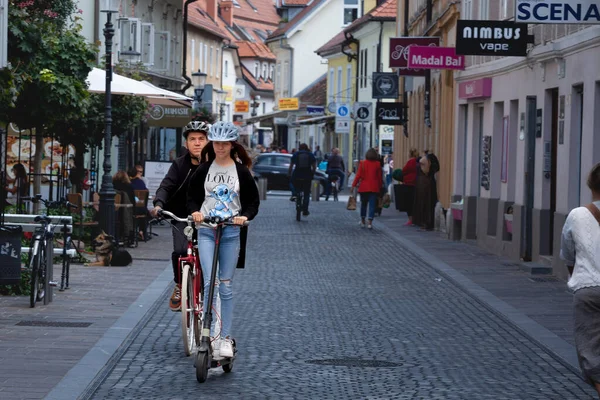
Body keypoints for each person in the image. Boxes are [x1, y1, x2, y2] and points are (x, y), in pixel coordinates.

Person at [187, 121, 260, 359]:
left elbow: (252, 202)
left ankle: (225, 337)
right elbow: (191, 197)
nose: (219, 147)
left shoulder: (241, 172)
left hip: (230, 232)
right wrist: (196, 212)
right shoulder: (204, 169)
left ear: (232, 145)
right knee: (210, 283)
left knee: (226, 286)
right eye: (216, 143)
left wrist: (244, 216)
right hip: (207, 230)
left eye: (224, 143)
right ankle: (208, 334)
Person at [150, 120, 211, 311]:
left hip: (208, 217)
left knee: (209, 256)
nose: (197, 143)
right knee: (180, 251)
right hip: (181, 216)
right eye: (192, 139)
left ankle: (208, 288)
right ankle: (179, 284)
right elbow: (166, 186)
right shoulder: (179, 164)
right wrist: (159, 204)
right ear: (186, 143)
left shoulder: (215, 165)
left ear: (208, 142)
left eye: (201, 139)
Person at [561, 163, 600, 398]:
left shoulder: (577, 215)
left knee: (591, 354)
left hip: (588, 289)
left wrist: (575, 273)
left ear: (589, 185)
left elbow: (567, 252)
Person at [352, 148, 383, 230]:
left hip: (364, 187)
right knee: (372, 205)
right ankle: (370, 222)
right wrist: (380, 187)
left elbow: (358, 175)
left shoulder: (362, 163)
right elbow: (379, 177)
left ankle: (362, 221)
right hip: (374, 187)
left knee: (363, 204)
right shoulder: (377, 164)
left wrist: (353, 185)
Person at [412, 153, 440, 231]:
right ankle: (427, 223)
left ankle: (426, 223)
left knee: (424, 204)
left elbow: (425, 170)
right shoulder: (429, 163)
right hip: (426, 185)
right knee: (428, 204)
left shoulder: (423, 161)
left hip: (423, 185)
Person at [287, 143, 316, 216]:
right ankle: (305, 210)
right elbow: (314, 167)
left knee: (291, 183)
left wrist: (289, 174)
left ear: (299, 148)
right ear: (307, 148)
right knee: (306, 193)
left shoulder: (296, 154)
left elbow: (291, 166)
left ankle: (294, 194)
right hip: (307, 175)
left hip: (297, 175)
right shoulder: (310, 155)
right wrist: (312, 173)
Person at [400, 148, 419, 226]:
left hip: (409, 184)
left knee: (409, 203)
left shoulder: (410, 162)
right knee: (414, 202)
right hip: (416, 183)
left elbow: (404, 170)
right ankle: (415, 219)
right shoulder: (418, 161)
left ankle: (411, 220)